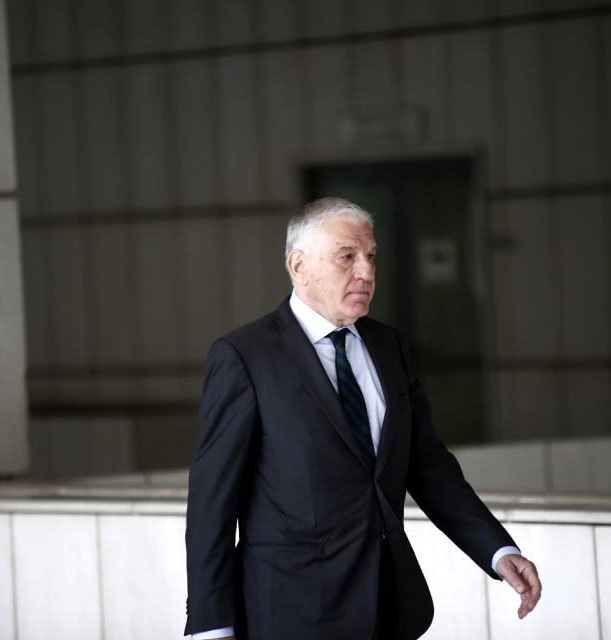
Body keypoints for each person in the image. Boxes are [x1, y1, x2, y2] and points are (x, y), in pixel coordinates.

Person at [185, 197, 541, 639]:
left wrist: (497, 550)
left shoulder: (389, 347)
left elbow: (428, 466)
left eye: (371, 256)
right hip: (293, 616)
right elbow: (212, 505)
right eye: (347, 257)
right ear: (299, 266)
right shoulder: (245, 357)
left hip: (389, 608)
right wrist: (211, 626)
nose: (367, 272)